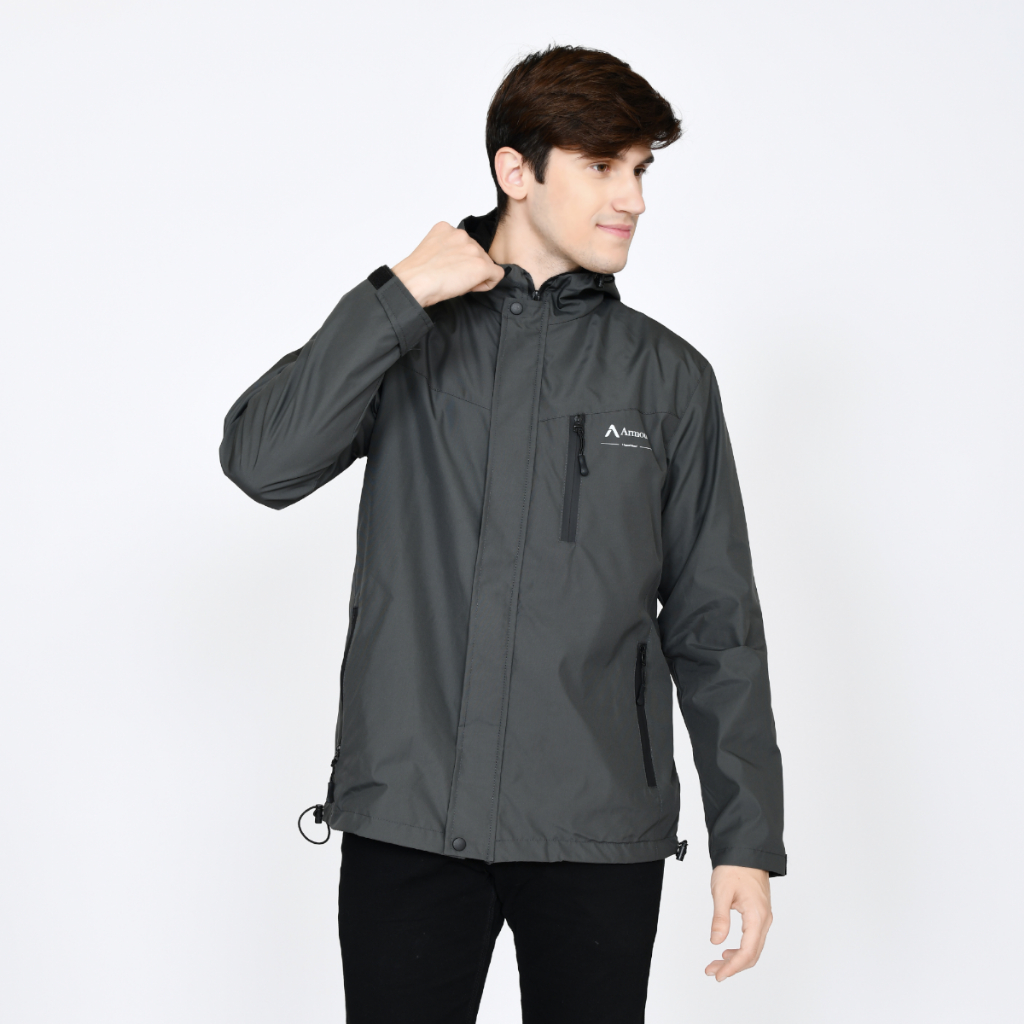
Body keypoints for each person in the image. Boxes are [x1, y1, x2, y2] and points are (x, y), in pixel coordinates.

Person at [220, 44, 786, 1024]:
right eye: (602, 166)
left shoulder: (668, 379)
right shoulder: (408, 337)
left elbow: (715, 623)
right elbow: (261, 461)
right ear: (515, 171)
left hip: (595, 831)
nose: (632, 198)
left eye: (640, 169)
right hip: (410, 822)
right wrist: (397, 292)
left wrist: (746, 841)